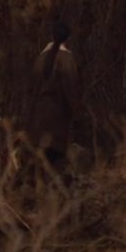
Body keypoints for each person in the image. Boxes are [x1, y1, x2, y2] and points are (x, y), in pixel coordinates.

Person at [25, 21, 84, 176]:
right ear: (68, 39)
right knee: (56, 159)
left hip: (38, 115)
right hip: (58, 115)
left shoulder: (40, 59)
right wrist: (77, 114)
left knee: (41, 158)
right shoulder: (66, 59)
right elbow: (70, 88)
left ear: (52, 36)